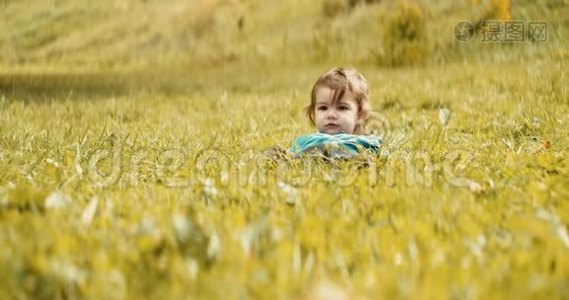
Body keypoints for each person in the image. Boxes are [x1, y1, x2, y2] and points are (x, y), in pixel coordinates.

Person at [264, 67, 381, 161]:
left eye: (342, 108)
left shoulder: (364, 142)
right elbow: (291, 155)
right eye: (323, 108)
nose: (331, 115)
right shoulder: (307, 141)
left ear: (359, 115)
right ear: (314, 113)